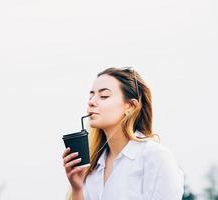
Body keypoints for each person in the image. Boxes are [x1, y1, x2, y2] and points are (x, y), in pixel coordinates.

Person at [62, 67, 184, 200]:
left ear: (130, 106)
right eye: (91, 95)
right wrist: (77, 188)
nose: (91, 102)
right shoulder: (92, 167)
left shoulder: (156, 158)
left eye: (104, 96)